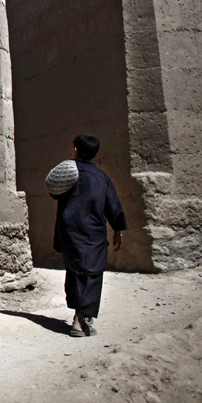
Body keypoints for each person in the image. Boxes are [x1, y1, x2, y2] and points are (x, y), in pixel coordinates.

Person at [51, 133, 127, 337]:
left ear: (75, 150)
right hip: (92, 234)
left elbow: (54, 191)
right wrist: (118, 230)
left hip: (69, 232)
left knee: (75, 271)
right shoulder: (102, 178)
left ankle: (80, 316)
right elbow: (113, 207)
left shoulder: (68, 174)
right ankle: (80, 320)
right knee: (91, 274)